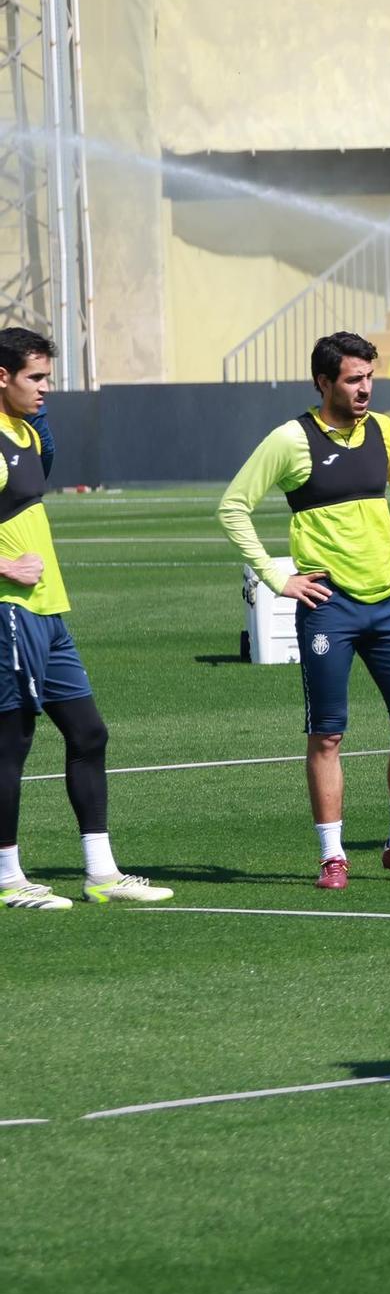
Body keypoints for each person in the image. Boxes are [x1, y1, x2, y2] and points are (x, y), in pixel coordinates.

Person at [217, 332, 390, 891]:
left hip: (388, 604)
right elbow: (233, 506)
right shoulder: (291, 440)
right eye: (352, 379)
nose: (365, 388)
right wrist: (276, 578)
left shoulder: (385, 431)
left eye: (369, 377)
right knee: (328, 736)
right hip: (329, 608)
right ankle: (333, 856)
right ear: (324, 382)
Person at [0, 327, 170, 911]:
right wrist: (3, 565)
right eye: (36, 378)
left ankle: (101, 873)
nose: (47, 389)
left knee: (89, 733)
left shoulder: (23, 432)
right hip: (10, 613)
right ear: (3, 378)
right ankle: (7, 878)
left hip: (49, 612)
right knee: (10, 743)